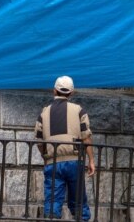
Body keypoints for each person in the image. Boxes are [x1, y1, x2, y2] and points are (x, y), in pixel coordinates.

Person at [34, 76, 95, 221]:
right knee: (79, 203)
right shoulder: (79, 110)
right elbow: (86, 137)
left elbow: (39, 141)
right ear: (72, 93)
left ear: (54, 91)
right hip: (75, 161)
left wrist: (46, 158)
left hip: (53, 162)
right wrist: (91, 160)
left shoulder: (44, 113)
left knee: (52, 205)